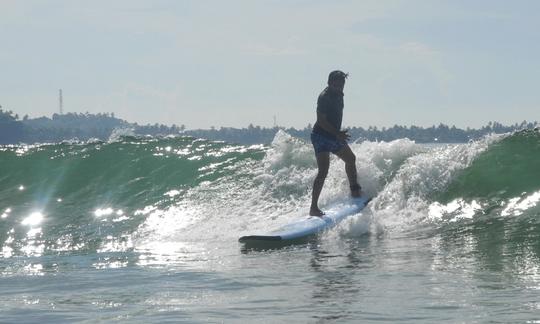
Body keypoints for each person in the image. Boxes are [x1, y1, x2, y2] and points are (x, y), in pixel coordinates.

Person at [310, 70, 362, 217]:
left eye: (342, 84)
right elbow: (321, 120)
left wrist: (336, 134)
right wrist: (337, 134)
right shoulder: (324, 97)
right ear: (329, 83)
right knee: (323, 171)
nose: (340, 87)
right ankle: (313, 208)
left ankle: (355, 191)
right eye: (337, 84)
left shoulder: (340, 95)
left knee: (351, 159)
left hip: (333, 136)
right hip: (320, 137)